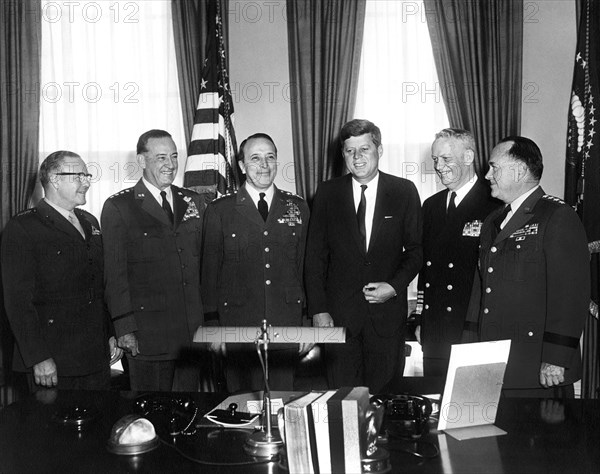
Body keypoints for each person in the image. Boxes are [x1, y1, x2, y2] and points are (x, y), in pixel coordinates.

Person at [465, 136, 590, 397]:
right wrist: (469, 348)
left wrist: (556, 356)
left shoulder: (557, 216)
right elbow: (481, 289)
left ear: (520, 170)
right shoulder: (493, 220)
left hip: (537, 367)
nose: (487, 175)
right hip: (494, 362)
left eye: (494, 167)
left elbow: (570, 293)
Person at [305, 119, 422, 392]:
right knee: (342, 402)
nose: (357, 158)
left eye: (364, 149)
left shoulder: (404, 192)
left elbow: (416, 251)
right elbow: (314, 258)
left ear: (379, 150)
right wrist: (319, 310)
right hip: (338, 319)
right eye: (349, 151)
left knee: (384, 400)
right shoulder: (327, 193)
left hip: (387, 319)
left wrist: (393, 287)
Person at [1, 151, 120, 391]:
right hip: (53, 360)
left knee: (99, 422)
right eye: (79, 175)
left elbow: (99, 286)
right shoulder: (23, 227)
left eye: (87, 175)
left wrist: (110, 333)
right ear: (55, 179)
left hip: (94, 356)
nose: (87, 181)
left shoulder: (90, 221)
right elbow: (18, 302)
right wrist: (38, 357)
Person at [201, 133, 310, 392]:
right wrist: (213, 326)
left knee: (283, 405)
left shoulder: (297, 207)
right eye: (255, 158)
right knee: (242, 406)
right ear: (241, 166)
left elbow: (306, 269)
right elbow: (208, 274)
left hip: (287, 324)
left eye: (270, 157)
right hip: (238, 326)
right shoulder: (220, 211)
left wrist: (307, 324)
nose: (264, 165)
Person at [101, 129, 204, 391]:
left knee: (189, 411)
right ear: (142, 161)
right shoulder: (120, 207)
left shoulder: (194, 202)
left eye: (173, 156)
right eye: (160, 158)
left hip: (192, 334)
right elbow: (115, 274)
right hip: (148, 336)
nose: (170, 165)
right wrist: (124, 327)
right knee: (152, 416)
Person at [416, 129, 499, 377]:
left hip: (472, 327)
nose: (438, 167)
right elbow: (425, 269)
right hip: (435, 327)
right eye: (435, 159)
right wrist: (421, 318)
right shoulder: (430, 206)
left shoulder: (494, 202)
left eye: (446, 159)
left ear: (468, 157)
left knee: (471, 405)